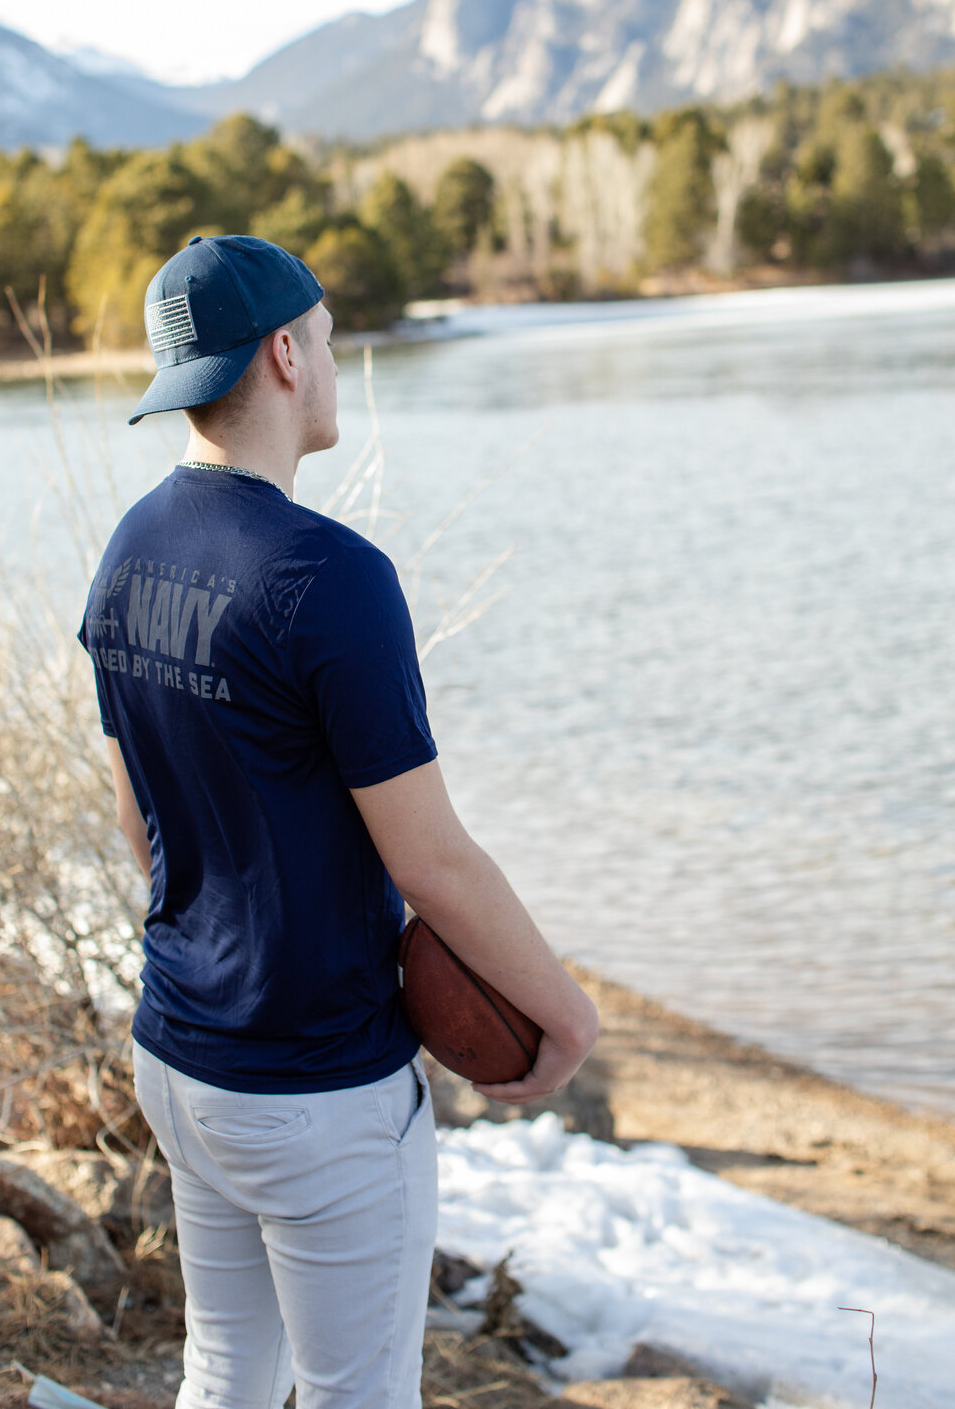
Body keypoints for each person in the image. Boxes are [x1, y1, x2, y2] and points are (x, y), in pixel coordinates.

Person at [78, 234, 598, 1409]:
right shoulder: (330, 576)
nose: (329, 353)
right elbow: (434, 861)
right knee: (360, 1393)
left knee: (226, 1371)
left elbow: (136, 821)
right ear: (282, 355)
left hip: (180, 1053)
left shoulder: (130, 547)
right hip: (318, 1087)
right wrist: (562, 1016)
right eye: (321, 334)